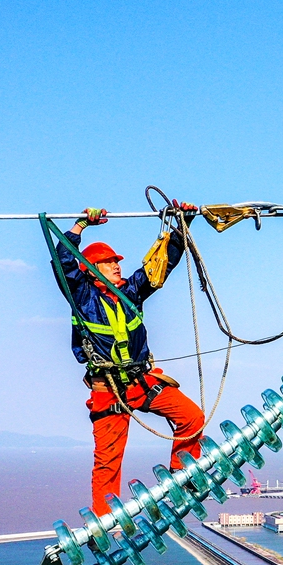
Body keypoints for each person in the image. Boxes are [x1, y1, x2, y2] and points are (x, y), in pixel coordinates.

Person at [53, 206, 204, 515]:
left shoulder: (130, 294)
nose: (117, 267)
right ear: (92, 268)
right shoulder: (83, 298)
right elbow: (64, 264)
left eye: (116, 262)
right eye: (109, 263)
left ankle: (182, 474)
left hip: (141, 381)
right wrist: (80, 226)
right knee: (108, 461)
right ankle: (103, 521)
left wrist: (182, 226)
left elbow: (158, 268)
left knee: (191, 417)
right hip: (107, 390)